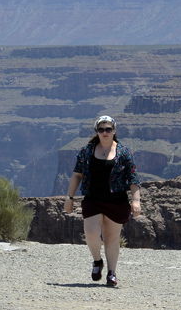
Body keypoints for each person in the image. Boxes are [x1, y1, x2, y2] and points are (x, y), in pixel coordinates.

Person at [63, 115, 142, 287]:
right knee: (91, 233)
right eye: (101, 129)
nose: (105, 132)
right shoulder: (87, 151)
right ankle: (97, 261)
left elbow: (133, 178)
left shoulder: (124, 152)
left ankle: (112, 273)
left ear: (114, 131)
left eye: (108, 129)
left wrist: (136, 201)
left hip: (117, 200)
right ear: (96, 132)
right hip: (93, 199)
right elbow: (77, 175)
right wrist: (69, 198)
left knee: (111, 238)